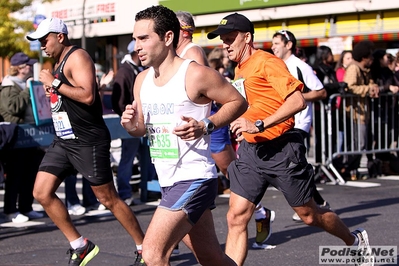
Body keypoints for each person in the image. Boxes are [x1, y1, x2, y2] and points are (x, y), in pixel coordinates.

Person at [207, 12, 373, 266]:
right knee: (236, 217)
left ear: (247, 37)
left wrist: (258, 123)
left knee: (309, 215)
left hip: (281, 149)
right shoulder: (239, 67)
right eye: (223, 40)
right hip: (251, 152)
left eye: (230, 38)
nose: (226, 45)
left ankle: (354, 240)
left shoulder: (267, 62)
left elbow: (297, 100)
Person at [121, 5, 247, 266]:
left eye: (144, 38)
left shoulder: (194, 74)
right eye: (135, 39)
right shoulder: (141, 80)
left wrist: (206, 125)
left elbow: (238, 102)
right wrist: (131, 125)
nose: (137, 47)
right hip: (168, 180)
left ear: (168, 38)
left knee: (153, 254)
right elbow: (142, 128)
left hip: (194, 178)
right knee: (211, 257)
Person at [26, 17, 145, 265]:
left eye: (44, 39)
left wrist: (54, 83)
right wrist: (54, 89)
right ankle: (80, 245)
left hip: (87, 140)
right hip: (64, 140)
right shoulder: (56, 62)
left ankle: (145, 247)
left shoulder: (77, 57)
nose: (42, 45)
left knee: (107, 198)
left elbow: (89, 96)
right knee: (41, 192)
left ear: (60, 36)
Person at [176, 11, 236, 194]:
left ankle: (259, 211)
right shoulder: (176, 53)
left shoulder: (192, 51)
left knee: (230, 170)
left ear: (184, 31)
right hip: (191, 123)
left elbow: (202, 91)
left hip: (207, 121)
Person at [0, 52, 45, 223]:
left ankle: (26, 207)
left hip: (29, 135)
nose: (31, 67)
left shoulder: (23, 84)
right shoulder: (8, 86)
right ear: (19, 68)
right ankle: (11, 210)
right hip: (15, 137)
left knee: (30, 173)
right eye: (28, 65)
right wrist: (27, 91)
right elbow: (13, 108)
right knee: (15, 175)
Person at [111, 40, 155, 206]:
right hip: (132, 122)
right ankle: (124, 193)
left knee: (147, 158)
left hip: (141, 121)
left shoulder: (136, 69)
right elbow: (117, 99)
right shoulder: (125, 71)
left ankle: (146, 188)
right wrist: (127, 114)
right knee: (128, 158)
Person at [340, 40, 380, 180]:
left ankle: (353, 169)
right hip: (355, 113)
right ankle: (348, 169)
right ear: (364, 57)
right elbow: (349, 87)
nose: (372, 60)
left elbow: (368, 83)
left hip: (363, 111)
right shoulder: (354, 69)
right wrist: (368, 89)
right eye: (370, 57)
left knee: (361, 143)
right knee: (358, 143)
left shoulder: (364, 70)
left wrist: (373, 86)